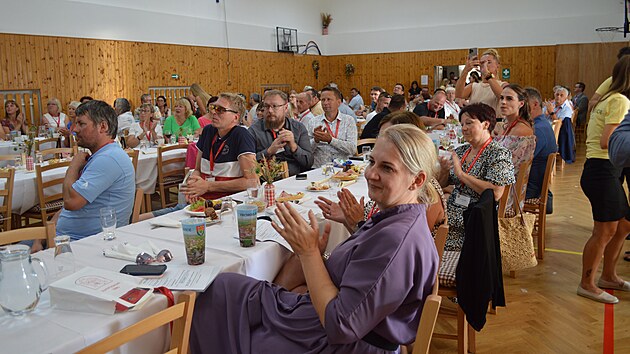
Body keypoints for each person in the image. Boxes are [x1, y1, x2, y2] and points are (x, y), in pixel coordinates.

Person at [190, 124, 440, 353]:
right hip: (331, 321)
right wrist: (316, 255)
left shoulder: (396, 239)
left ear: (417, 180)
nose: (371, 174)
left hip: (342, 343)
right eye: (372, 162)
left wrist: (309, 253)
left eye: (386, 168)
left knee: (221, 305)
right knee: (223, 287)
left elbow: (341, 325)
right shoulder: (400, 217)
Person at [35, 100, 135, 248]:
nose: (74, 129)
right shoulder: (104, 155)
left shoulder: (107, 159)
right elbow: (65, 209)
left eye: (81, 124)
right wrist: (41, 238)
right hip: (66, 239)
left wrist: (73, 166)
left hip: (84, 245)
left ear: (102, 126)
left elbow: (71, 202)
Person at [578, 56, 630, 304]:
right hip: (602, 168)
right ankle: (587, 283)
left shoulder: (610, 97)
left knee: (622, 226)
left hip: (602, 169)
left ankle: (608, 275)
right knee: (604, 230)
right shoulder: (620, 100)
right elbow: (607, 141)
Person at [438, 103, 515, 251]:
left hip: (476, 217)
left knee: (425, 228)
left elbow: (496, 193)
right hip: (454, 210)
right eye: (462, 124)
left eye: (469, 123)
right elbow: (442, 184)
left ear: (486, 124)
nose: (464, 128)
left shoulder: (498, 153)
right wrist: (444, 171)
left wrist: (461, 174)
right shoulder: (461, 151)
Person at [180, 93, 257, 200]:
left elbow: (252, 182)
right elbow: (197, 170)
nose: (213, 112)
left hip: (227, 202)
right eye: (213, 107)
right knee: (152, 216)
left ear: (235, 117)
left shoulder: (241, 136)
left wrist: (208, 186)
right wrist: (194, 186)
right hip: (202, 200)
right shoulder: (208, 131)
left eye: (220, 110)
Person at [248, 90, 313, 176]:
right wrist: (269, 151)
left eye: (275, 106)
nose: (270, 110)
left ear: (285, 108)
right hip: (267, 182)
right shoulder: (253, 131)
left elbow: (309, 163)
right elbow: (248, 164)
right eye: (266, 106)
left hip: (295, 180)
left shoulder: (298, 128)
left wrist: (294, 147)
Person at [493, 84, 536, 214]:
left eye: (509, 99)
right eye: (501, 98)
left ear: (521, 103)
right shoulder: (507, 126)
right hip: (500, 184)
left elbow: (503, 167)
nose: (503, 102)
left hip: (506, 194)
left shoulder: (521, 131)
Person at [524, 87, 558, 212]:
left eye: (522, 104)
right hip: (534, 185)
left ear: (535, 105)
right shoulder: (542, 124)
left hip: (529, 189)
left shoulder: (537, 130)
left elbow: (522, 162)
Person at [306, 86, 357, 167]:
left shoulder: (348, 121)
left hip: (342, 168)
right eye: (323, 100)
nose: (325, 103)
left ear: (339, 102)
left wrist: (331, 140)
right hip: (319, 168)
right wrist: (315, 140)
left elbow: (352, 149)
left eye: (329, 99)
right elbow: (307, 151)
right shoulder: (313, 121)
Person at [455, 49, 505, 116]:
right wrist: (465, 70)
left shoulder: (503, 85)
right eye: (482, 63)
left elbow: (502, 97)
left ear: (497, 65)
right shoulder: (473, 86)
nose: (485, 65)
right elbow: (458, 95)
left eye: (489, 62)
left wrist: (487, 74)